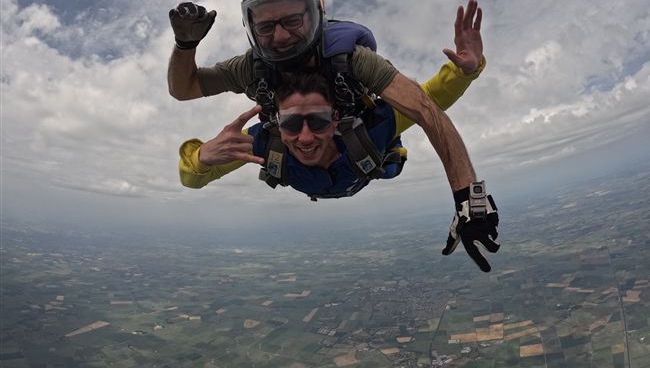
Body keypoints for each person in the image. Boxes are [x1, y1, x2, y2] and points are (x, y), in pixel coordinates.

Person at [168, 0, 483, 195]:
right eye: (265, 27)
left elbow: (426, 106)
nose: (280, 36)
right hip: (336, 156)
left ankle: (383, 152)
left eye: (292, 20)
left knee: (382, 152)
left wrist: (463, 71)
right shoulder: (253, 85)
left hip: (361, 143)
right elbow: (184, 91)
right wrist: (185, 45)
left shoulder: (355, 66)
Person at [178, 71, 499, 272]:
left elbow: (430, 99)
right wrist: (203, 157)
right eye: (292, 123)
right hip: (337, 177)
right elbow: (191, 179)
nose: (305, 137)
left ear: (335, 120)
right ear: (277, 123)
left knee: (390, 163)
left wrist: (464, 71)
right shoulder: (262, 142)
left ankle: (389, 154)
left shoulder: (372, 127)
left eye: (318, 121)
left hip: (363, 165)